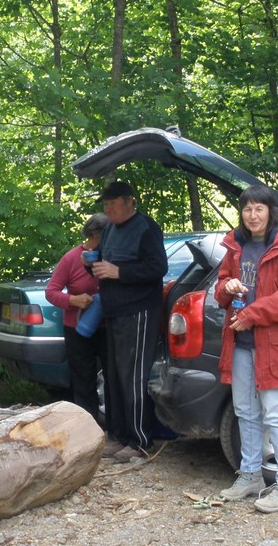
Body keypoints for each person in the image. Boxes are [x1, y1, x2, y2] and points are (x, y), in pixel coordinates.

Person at [213, 184, 278, 513]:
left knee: (275, 413)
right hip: (240, 344)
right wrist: (226, 286)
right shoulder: (235, 246)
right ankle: (251, 475)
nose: (252, 215)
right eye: (247, 209)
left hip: (275, 345)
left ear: (271, 212)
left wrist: (252, 314)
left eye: (259, 208)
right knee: (245, 411)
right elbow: (221, 288)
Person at [91, 182, 168, 462]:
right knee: (113, 375)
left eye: (112, 204)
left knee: (132, 375)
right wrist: (93, 265)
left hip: (139, 310)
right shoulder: (110, 229)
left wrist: (119, 272)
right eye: (105, 205)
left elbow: (158, 267)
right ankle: (119, 435)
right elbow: (106, 263)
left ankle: (140, 441)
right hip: (113, 311)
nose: (108, 209)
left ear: (129, 202)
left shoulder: (146, 227)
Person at [44, 213, 110, 424]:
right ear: (95, 236)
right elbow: (51, 292)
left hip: (108, 327)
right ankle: (87, 427)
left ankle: (115, 428)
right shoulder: (72, 258)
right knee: (83, 380)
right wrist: (74, 300)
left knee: (114, 377)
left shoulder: (111, 256)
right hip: (78, 328)